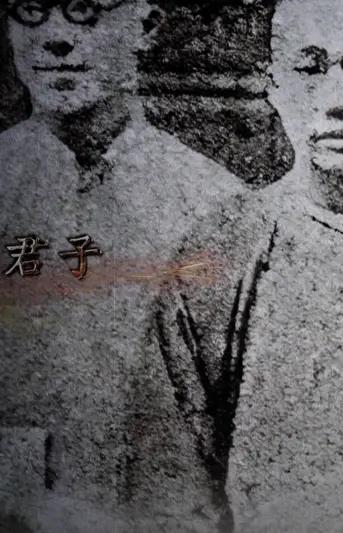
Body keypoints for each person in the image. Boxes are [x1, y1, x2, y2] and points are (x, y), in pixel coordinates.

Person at [152, 0, 343, 530]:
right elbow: (181, 475)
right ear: (275, 87)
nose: (339, 101)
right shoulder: (221, 252)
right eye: (309, 69)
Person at [0, 1, 246, 529]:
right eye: (31, 11)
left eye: (85, 10)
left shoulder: (211, 203)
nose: (56, 38)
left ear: (147, 26)